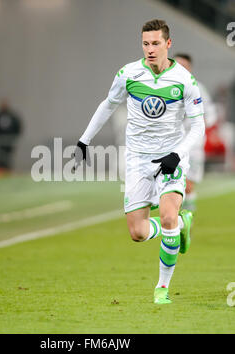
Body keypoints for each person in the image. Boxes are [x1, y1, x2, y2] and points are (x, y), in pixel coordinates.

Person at [74, 19, 205, 304]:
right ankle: (180, 226)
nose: (150, 49)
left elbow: (198, 127)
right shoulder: (128, 74)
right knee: (138, 232)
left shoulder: (184, 80)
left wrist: (177, 155)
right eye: (145, 43)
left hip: (170, 158)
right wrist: (85, 139)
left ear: (168, 44)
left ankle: (162, 288)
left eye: (156, 43)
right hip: (136, 160)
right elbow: (108, 104)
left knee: (167, 215)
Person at [174, 53, 217, 212]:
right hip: (173, 143)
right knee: (174, 184)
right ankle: (179, 220)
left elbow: (211, 114)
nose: (180, 69)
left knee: (188, 185)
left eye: (184, 65)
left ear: (190, 68)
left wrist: (200, 125)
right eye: (177, 65)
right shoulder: (166, 87)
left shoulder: (198, 88)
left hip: (194, 145)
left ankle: (186, 219)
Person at [0, 99, 22, 170]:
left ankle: (8, 170)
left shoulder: (12, 117)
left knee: (8, 158)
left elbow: (18, 126)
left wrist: (14, 137)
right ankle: (0, 170)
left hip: (9, 142)